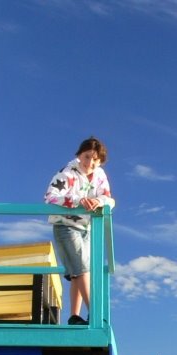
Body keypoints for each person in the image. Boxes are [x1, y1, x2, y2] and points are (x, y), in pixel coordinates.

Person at [45, 137, 114, 325]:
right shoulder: (67, 173)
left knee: (78, 271)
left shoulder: (100, 175)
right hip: (66, 225)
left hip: (87, 227)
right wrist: (78, 200)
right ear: (79, 155)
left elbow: (108, 199)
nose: (90, 163)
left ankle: (74, 316)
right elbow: (50, 197)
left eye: (95, 159)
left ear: (100, 161)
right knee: (82, 269)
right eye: (86, 157)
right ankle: (95, 313)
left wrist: (98, 201)